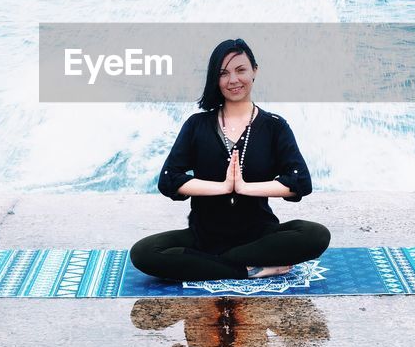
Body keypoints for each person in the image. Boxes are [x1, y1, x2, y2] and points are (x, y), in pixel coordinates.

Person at [130, 38, 331, 281]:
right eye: (223, 73)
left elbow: (300, 182)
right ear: (215, 79)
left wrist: (244, 188)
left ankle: (211, 264)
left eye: (241, 70)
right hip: (204, 236)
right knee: (143, 253)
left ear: (254, 71)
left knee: (316, 235)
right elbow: (168, 180)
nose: (233, 80)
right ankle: (245, 268)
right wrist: (223, 187)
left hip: (259, 236)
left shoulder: (274, 126)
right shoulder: (197, 125)